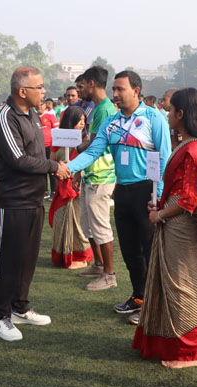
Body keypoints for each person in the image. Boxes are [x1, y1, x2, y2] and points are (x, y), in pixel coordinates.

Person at [66, 70, 171, 322]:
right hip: (121, 191)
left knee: (149, 250)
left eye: (120, 89)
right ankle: (138, 296)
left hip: (146, 191)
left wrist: (158, 195)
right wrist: (68, 168)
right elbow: (94, 151)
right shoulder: (111, 122)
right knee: (130, 250)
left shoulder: (152, 117)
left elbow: (164, 157)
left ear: (136, 90)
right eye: (113, 89)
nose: (115, 94)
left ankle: (152, 304)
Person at [132, 87, 197, 369]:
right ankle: (168, 342)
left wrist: (160, 214)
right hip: (173, 220)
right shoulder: (188, 144)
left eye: (169, 110)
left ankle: (189, 351)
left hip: (183, 225)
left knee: (183, 285)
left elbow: (190, 199)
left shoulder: (193, 150)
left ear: (181, 114)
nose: (166, 114)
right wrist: (161, 208)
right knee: (171, 282)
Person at [0, 66, 71, 342]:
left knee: (27, 259)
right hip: (13, 201)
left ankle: (20, 307)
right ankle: (0, 316)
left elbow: (38, 153)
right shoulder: (5, 118)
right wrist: (53, 167)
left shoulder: (34, 115)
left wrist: (56, 162)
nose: (43, 91)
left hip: (34, 199)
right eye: (39, 87)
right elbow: (18, 159)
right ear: (22, 91)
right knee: (9, 260)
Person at [75, 66, 118, 291]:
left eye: (82, 86)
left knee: (100, 226)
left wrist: (79, 147)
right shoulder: (98, 108)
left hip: (101, 175)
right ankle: (99, 264)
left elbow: (96, 143)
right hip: (91, 173)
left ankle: (109, 275)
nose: (79, 90)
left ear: (92, 83)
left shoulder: (104, 109)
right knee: (88, 223)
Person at [48, 106, 93, 269]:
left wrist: (75, 169)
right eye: (79, 120)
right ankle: (62, 255)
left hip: (77, 187)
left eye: (84, 121)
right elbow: (52, 161)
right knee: (60, 222)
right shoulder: (58, 139)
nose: (82, 124)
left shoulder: (86, 141)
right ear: (70, 121)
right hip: (61, 187)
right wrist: (60, 168)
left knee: (78, 224)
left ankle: (81, 257)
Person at [40, 99, 59, 199]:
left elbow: (56, 131)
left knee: (51, 170)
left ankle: (54, 191)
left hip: (50, 147)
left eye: (41, 104)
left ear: (45, 106)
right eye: (38, 104)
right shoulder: (33, 118)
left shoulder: (50, 116)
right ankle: (44, 191)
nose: (39, 106)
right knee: (41, 170)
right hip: (39, 148)